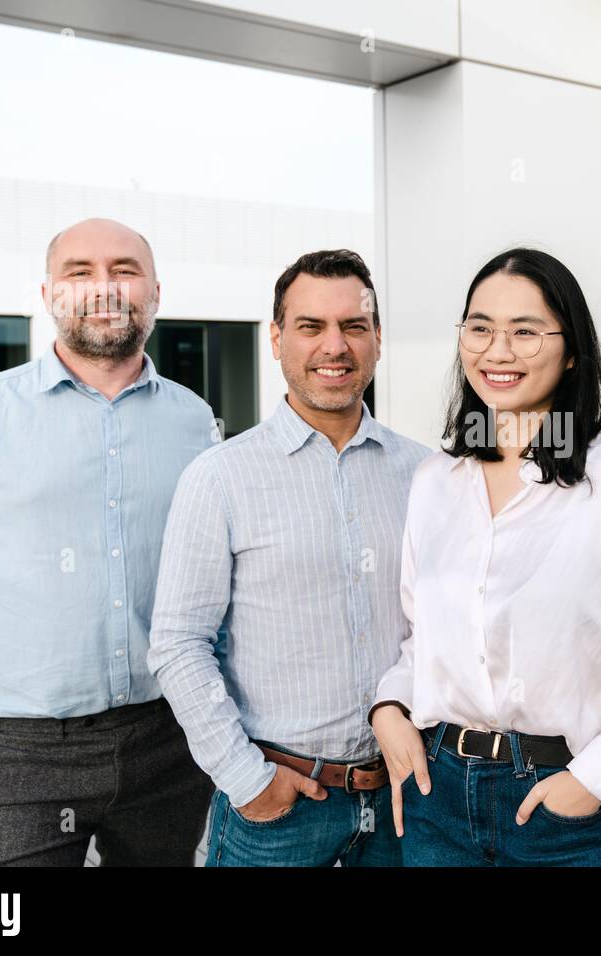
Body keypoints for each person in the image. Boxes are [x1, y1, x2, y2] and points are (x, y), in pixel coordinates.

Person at [0, 217, 218, 866]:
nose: (104, 286)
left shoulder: (193, 420)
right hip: (12, 756)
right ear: (47, 295)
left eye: (124, 270)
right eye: (78, 271)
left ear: (155, 292)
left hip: (168, 744)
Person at [369, 247, 601, 867]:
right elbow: (422, 636)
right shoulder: (436, 481)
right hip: (437, 802)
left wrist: (597, 778)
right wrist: (390, 705)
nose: (498, 351)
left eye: (525, 332)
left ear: (571, 349)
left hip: (567, 811)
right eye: (481, 328)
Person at [149, 249, 430, 867]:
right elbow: (177, 643)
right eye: (310, 327)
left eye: (354, 326)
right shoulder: (219, 477)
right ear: (276, 339)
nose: (335, 346)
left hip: (405, 806)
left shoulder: (427, 473)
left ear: (377, 339)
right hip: (277, 810)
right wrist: (246, 781)